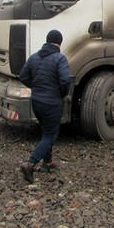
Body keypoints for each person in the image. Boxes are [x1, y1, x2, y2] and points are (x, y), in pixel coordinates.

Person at [19, 29, 71, 183]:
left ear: (47, 41)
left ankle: (47, 163)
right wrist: (60, 94)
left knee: (46, 132)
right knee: (50, 135)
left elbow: (23, 76)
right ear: (59, 43)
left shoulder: (34, 57)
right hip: (51, 103)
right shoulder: (60, 58)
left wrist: (35, 87)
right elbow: (65, 81)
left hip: (36, 101)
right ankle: (30, 164)